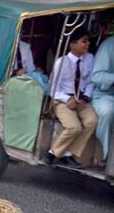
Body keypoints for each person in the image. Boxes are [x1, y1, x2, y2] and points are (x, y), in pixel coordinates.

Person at [43, 27, 98, 168]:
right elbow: (53, 89)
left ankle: (68, 153)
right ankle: (52, 153)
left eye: (88, 42)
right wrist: (68, 99)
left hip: (81, 100)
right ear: (72, 44)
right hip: (62, 100)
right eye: (83, 41)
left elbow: (90, 82)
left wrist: (85, 98)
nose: (87, 44)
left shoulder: (90, 59)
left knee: (92, 122)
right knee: (74, 127)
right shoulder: (61, 62)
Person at [92, 35, 114, 162]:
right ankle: (108, 157)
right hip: (104, 94)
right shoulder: (108, 45)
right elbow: (97, 77)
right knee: (108, 111)